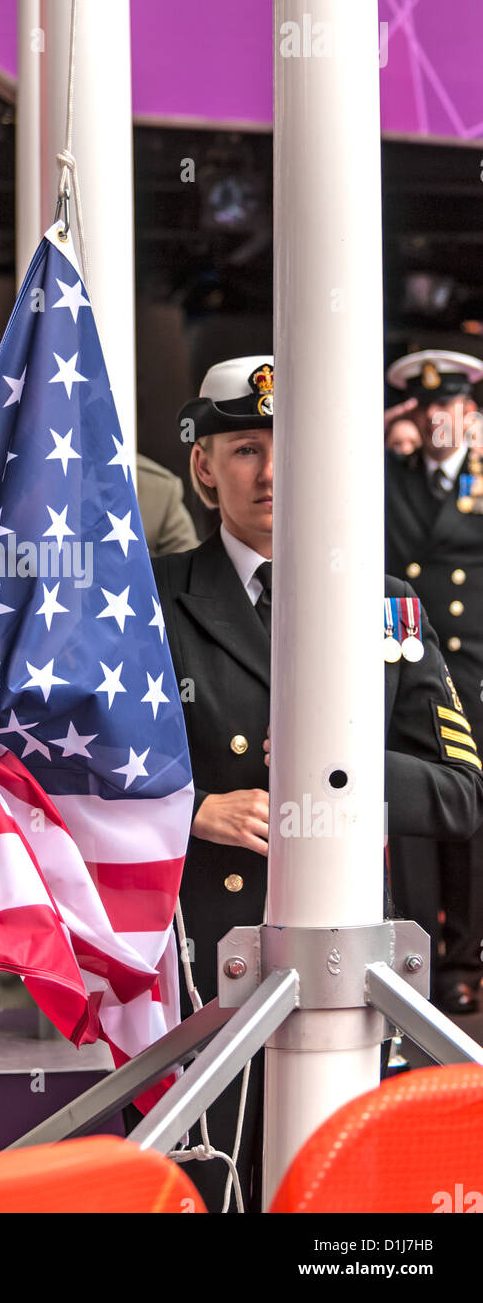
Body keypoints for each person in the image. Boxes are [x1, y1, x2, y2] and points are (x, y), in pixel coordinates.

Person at [153, 355, 483, 1210]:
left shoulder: (386, 606)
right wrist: (190, 811)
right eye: (244, 449)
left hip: (348, 971)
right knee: (210, 1188)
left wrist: (338, 770)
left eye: (289, 448)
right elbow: (74, 778)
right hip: (201, 970)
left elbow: (461, 794)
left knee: (339, 1199)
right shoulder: (151, 603)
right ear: (202, 467)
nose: (269, 473)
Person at [385, 349, 483, 1013]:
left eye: (449, 407)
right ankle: (418, 949)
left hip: (474, 666)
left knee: (470, 816)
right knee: (416, 812)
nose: (437, 420)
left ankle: (462, 959)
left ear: (468, 412)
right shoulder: (386, 475)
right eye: (426, 408)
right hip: (409, 660)